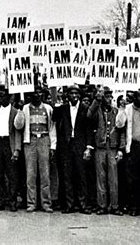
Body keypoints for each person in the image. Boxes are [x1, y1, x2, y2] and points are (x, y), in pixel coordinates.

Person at [14, 86, 57, 213]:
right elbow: (18, 125)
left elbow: (52, 128)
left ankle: (46, 203)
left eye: (39, 93)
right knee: (31, 174)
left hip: (44, 140)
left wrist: (53, 145)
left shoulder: (48, 108)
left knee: (45, 174)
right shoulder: (26, 108)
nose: (37, 95)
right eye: (35, 93)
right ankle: (31, 203)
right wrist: (20, 110)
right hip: (30, 141)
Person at [52, 85, 93, 214]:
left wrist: (88, 147)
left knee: (81, 175)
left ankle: (83, 204)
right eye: (71, 94)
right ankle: (68, 204)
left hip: (80, 145)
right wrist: (56, 103)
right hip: (66, 145)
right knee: (67, 175)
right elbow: (54, 118)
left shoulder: (85, 109)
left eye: (76, 94)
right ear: (67, 96)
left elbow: (89, 129)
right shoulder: (62, 109)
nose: (74, 96)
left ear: (79, 95)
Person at [116, 89, 140, 218]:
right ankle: (133, 207)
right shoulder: (127, 109)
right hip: (133, 147)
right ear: (135, 98)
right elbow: (119, 124)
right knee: (132, 179)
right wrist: (121, 108)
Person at [87, 87, 124, 216]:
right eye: (106, 97)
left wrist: (121, 149)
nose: (109, 99)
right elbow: (89, 114)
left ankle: (114, 206)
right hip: (100, 147)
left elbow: (121, 129)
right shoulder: (97, 110)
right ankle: (101, 205)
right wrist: (97, 100)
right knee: (100, 178)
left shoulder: (116, 111)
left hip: (113, 147)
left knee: (113, 179)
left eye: (110, 97)